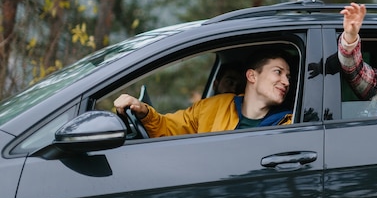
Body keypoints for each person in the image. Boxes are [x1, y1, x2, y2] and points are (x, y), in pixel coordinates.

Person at [114, 49, 293, 137]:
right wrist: (144, 111)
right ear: (252, 76)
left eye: (288, 77)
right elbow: (167, 127)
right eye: (278, 72)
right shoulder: (213, 107)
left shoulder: (291, 124)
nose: (286, 81)